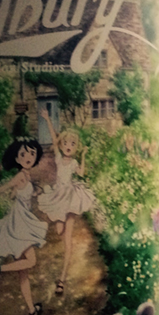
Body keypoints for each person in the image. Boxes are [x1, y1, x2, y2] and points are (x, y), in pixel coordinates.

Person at [0, 137, 47, 315]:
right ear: (16, 158)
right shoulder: (20, 176)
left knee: (23, 271)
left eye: (31, 153)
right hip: (19, 224)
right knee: (31, 261)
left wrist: (32, 192)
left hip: (21, 221)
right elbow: (2, 188)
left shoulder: (27, 176)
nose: (28, 157)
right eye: (23, 154)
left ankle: (32, 310)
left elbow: (17, 194)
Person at [37, 108, 98, 295]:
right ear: (61, 145)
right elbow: (54, 138)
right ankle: (62, 228)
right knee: (59, 229)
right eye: (66, 143)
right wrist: (47, 118)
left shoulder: (73, 163)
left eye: (72, 144)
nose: (69, 146)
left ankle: (61, 280)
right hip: (58, 198)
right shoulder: (58, 157)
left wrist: (84, 156)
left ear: (76, 147)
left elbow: (81, 173)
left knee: (68, 242)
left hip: (71, 198)